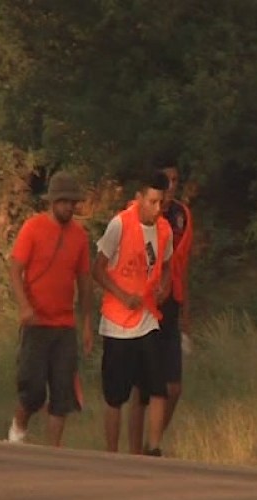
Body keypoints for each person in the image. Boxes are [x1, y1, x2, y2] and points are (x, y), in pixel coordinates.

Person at [6, 171, 94, 447]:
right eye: (64, 201)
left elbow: (84, 282)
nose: (69, 207)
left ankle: (52, 451)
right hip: (36, 323)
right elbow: (14, 270)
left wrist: (88, 323)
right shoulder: (33, 228)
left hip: (64, 326)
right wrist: (24, 306)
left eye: (72, 202)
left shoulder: (80, 236)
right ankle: (18, 427)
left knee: (62, 393)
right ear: (52, 202)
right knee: (32, 390)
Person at [93, 171, 173, 456]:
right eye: (152, 201)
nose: (157, 208)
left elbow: (167, 266)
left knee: (157, 386)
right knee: (115, 395)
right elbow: (97, 268)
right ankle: (112, 453)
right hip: (117, 322)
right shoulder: (120, 225)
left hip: (148, 317)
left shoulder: (165, 229)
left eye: (161, 202)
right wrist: (122, 295)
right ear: (139, 198)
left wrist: (164, 286)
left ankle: (154, 448)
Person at [129, 159, 194, 450]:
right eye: (166, 180)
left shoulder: (182, 216)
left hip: (171, 304)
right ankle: (134, 452)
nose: (170, 187)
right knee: (142, 388)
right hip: (143, 304)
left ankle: (152, 442)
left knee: (173, 387)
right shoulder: (139, 213)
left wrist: (185, 309)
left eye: (175, 181)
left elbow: (181, 265)